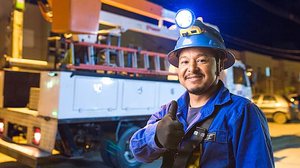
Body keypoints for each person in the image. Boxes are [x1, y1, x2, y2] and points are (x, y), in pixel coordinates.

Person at [129, 17, 274, 168]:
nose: (192, 68)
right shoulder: (169, 112)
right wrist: (156, 136)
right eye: (184, 61)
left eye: (201, 60)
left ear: (219, 65)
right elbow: (138, 152)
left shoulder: (242, 113)